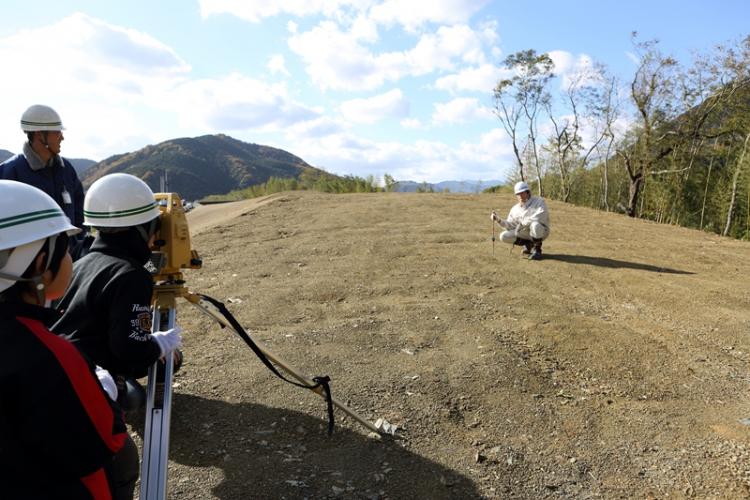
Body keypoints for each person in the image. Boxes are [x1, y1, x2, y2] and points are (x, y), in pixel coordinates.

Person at [0, 180, 127, 499]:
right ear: (40, 264)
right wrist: (105, 391)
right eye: (65, 248)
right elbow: (104, 439)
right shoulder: (48, 354)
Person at [0, 104, 89, 258]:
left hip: (69, 261)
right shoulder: (9, 172)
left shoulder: (66, 169)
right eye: (57, 132)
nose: (62, 137)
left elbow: (79, 211)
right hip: (30, 268)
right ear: (40, 135)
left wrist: (77, 245)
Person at [491, 181, 550, 260]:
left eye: (522, 193)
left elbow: (540, 216)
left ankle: (537, 250)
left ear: (528, 192)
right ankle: (528, 244)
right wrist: (498, 220)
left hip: (541, 231)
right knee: (503, 236)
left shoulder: (539, 202)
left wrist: (523, 223)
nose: (520, 196)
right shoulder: (515, 209)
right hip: (525, 233)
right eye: (518, 194)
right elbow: (509, 225)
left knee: (534, 225)